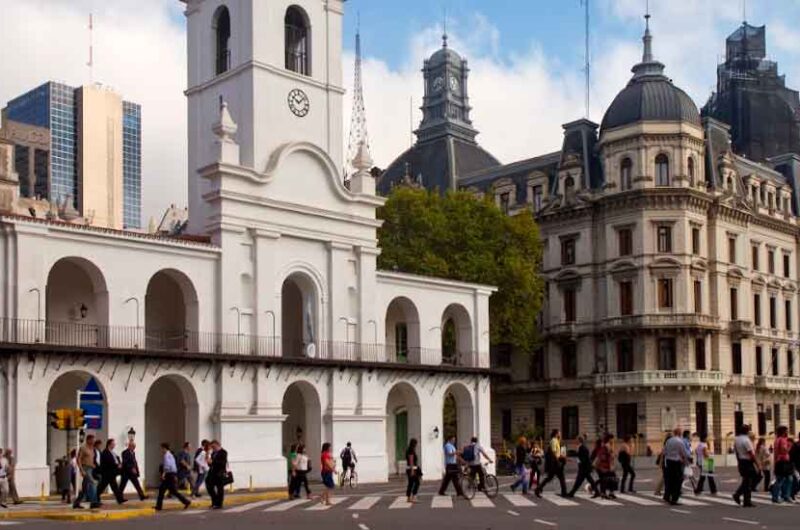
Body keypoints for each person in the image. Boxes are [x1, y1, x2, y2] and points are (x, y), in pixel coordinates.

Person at [154, 443, 191, 511]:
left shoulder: (166, 455)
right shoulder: (171, 455)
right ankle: (186, 502)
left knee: (163, 491)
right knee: (172, 491)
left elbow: (167, 466)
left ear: (164, 448)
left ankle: (159, 506)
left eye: (162, 448)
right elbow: (173, 466)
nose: (161, 450)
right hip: (172, 474)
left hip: (169, 475)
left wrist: (164, 474)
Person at [732, 424, 759, 508]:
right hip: (748, 461)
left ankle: (741, 496)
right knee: (749, 481)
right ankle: (744, 498)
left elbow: (736, 451)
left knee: (746, 480)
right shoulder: (746, 440)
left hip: (741, 460)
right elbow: (751, 453)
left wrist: (738, 461)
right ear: (747, 431)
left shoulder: (736, 439)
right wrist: (757, 464)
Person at [535, 429, 567, 498]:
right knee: (560, 477)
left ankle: (538, 489)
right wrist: (558, 461)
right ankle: (564, 492)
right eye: (559, 433)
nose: (560, 434)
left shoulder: (556, 440)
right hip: (555, 463)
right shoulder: (553, 441)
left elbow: (557, 453)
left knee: (550, 478)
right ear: (556, 433)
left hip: (556, 462)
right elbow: (553, 452)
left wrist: (562, 457)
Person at [73, 434, 101, 510]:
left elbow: (92, 459)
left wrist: (94, 465)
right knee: (93, 483)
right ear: (88, 440)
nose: (93, 441)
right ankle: (94, 502)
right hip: (85, 468)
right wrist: (81, 470)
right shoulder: (83, 448)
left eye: (94, 440)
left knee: (84, 488)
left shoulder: (92, 448)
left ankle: (76, 503)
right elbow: (78, 459)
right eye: (92, 440)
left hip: (91, 468)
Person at [662, 428, 688, 505]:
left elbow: (665, 451)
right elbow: (684, 453)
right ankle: (674, 498)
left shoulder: (669, 441)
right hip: (677, 462)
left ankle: (668, 496)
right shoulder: (680, 441)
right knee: (678, 480)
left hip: (669, 462)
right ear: (679, 433)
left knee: (670, 480)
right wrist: (686, 461)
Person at [97, 439, 126, 504]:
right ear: (109, 444)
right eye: (113, 444)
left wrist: (119, 464)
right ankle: (95, 498)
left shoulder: (112, 452)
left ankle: (120, 499)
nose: (114, 445)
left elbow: (117, 459)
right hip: (107, 473)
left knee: (113, 487)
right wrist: (117, 465)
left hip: (112, 473)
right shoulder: (105, 452)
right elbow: (109, 462)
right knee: (102, 487)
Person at [771, 426, 793, 503]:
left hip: (779, 462)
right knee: (783, 480)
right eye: (786, 431)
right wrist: (790, 446)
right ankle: (778, 497)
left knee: (787, 479)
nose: (787, 432)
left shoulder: (777, 440)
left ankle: (784, 496)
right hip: (783, 462)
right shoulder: (783, 440)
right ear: (783, 432)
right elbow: (784, 450)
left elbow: (776, 453)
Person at [593, 434, 617, 499]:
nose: (613, 440)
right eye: (612, 438)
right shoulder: (606, 446)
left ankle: (608, 493)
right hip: (603, 466)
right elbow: (602, 457)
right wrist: (601, 467)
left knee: (609, 479)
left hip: (607, 466)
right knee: (607, 479)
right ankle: (605, 493)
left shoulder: (608, 446)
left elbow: (611, 456)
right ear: (609, 439)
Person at [206, 440, 228, 509]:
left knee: (220, 489)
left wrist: (213, 462)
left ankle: (219, 504)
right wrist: (209, 462)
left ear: (218, 445)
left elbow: (222, 463)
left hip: (219, 473)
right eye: (212, 447)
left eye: (214, 447)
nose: (213, 448)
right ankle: (214, 501)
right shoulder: (213, 453)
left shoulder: (223, 452)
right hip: (212, 472)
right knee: (209, 486)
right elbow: (212, 464)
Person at [405, 438, 421, 503]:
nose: (416, 445)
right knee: (417, 483)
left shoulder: (408, 450)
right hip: (412, 469)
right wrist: (412, 470)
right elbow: (411, 460)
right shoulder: (411, 450)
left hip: (409, 468)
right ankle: (414, 496)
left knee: (410, 483)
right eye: (416, 443)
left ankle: (409, 497)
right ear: (414, 444)